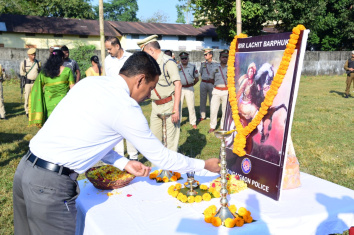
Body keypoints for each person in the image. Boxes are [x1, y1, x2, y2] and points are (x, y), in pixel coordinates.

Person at [12, 52, 221, 235]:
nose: (150, 95)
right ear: (140, 80)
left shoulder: (91, 83)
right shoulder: (125, 107)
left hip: (25, 171)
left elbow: (88, 137)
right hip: (49, 187)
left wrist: (123, 163)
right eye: (151, 87)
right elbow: (161, 157)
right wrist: (203, 165)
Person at [137, 35, 182, 152]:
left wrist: (176, 109)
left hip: (169, 104)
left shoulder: (168, 62)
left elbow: (178, 84)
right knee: (154, 140)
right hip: (155, 105)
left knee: (170, 142)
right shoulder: (150, 64)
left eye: (145, 52)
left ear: (151, 50)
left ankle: (171, 169)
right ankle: (157, 169)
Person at [104, 36, 138, 160]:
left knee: (130, 126)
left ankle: (133, 156)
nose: (108, 51)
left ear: (117, 46)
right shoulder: (108, 60)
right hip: (114, 98)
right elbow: (108, 78)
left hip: (129, 97)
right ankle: (119, 158)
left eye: (109, 49)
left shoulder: (131, 58)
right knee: (116, 127)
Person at [28, 50, 75, 127]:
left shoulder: (44, 72)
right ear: (62, 58)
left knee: (50, 124)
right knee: (62, 125)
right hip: (63, 103)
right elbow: (72, 89)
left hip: (48, 103)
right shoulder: (67, 71)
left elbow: (37, 88)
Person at [209, 50, 229, 133]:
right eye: (223, 57)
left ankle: (222, 126)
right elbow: (211, 79)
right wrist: (217, 85)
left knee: (225, 110)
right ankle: (212, 126)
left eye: (226, 57)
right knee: (213, 109)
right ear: (220, 58)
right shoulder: (215, 67)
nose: (224, 59)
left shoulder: (231, 68)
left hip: (226, 91)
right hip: (216, 91)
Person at [178, 52, 199, 129]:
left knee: (191, 106)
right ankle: (178, 122)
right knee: (178, 106)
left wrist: (191, 85)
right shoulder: (177, 67)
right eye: (182, 58)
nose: (184, 60)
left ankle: (193, 122)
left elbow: (197, 78)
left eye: (185, 58)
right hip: (180, 89)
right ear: (180, 59)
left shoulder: (192, 67)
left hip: (189, 88)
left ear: (188, 59)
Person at [20, 48, 41, 117]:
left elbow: (39, 72)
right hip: (28, 83)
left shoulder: (38, 63)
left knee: (35, 97)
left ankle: (34, 110)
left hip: (35, 83)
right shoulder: (24, 62)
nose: (33, 56)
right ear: (28, 55)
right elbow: (22, 73)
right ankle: (27, 111)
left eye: (34, 54)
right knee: (27, 97)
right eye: (32, 55)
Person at [199, 48, 216, 122]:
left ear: (211, 55)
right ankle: (203, 115)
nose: (205, 56)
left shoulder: (216, 64)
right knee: (202, 100)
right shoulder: (203, 64)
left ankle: (212, 115)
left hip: (211, 83)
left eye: (206, 54)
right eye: (204, 55)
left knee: (212, 100)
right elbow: (201, 73)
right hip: (203, 83)